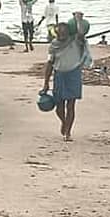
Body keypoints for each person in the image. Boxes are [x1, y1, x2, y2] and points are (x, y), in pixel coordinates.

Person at [42, 12, 91, 142]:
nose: (61, 36)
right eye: (59, 34)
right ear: (56, 34)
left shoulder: (75, 41)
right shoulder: (53, 46)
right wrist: (46, 83)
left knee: (70, 105)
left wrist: (78, 19)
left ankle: (68, 132)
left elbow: (81, 33)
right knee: (59, 107)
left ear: (68, 33)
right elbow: (49, 64)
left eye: (63, 33)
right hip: (59, 76)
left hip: (73, 74)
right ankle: (64, 122)